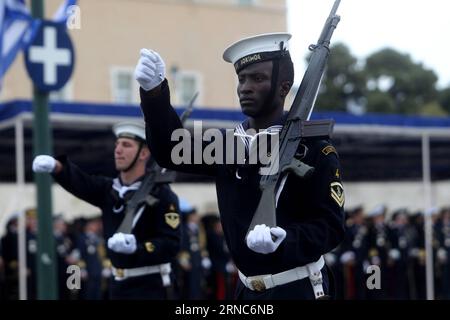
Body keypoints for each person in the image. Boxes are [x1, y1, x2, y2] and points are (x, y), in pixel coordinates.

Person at [135, 33, 345, 300]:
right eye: (241, 79)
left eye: (257, 78)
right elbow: (171, 152)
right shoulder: (228, 145)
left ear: (283, 87)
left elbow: (331, 226)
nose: (245, 87)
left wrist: (287, 239)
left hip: (299, 289)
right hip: (245, 291)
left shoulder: (314, 148)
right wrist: (154, 95)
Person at [32, 122, 181, 299]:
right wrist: (57, 167)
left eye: (126, 145)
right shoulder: (110, 190)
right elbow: (83, 183)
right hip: (117, 286)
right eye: (117, 144)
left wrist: (138, 248)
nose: (118, 150)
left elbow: (171, 243)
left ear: (143, 153)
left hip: (151, 287)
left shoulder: (163, 195)